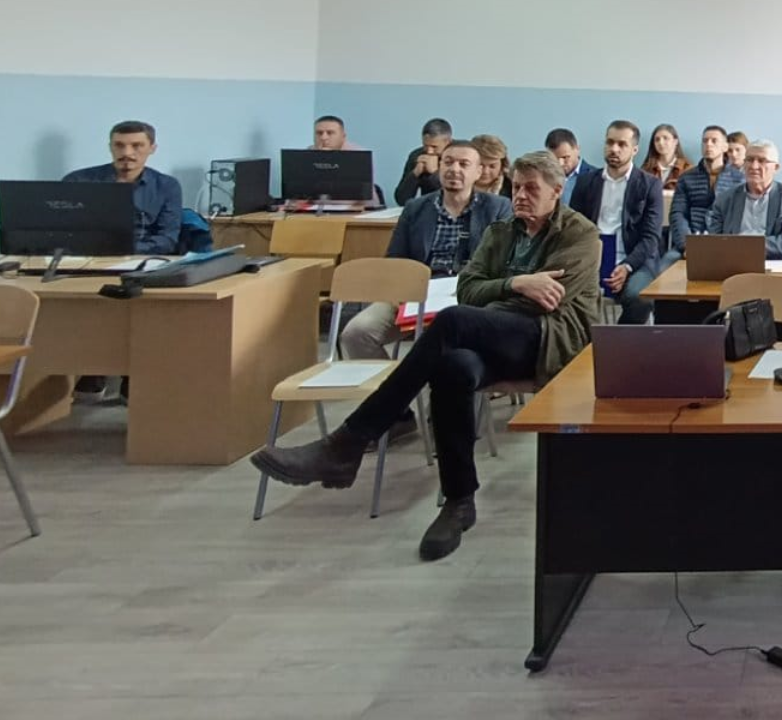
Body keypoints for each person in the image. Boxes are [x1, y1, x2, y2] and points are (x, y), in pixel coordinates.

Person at [250, 150, 598, 560]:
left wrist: (497, 297)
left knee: (452, 321)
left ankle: (348, 443)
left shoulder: (580, 234)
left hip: (549, 340)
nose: (520, 196)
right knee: (453, 368)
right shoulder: (502, 231)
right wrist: (516, 283)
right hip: (493, 336)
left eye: (531, 189)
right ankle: (459, 501)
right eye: (516, 187)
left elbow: (548, 302)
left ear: (557, 191)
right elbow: (468, 288)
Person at [338, 141, 511, 363]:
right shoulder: (416, 207)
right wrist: (400, 291)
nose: (454, 169)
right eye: (448, 162)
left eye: (463, 164)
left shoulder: (498, 207)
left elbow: (502, 260)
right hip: (418, 291)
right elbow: (395, 258)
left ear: (478, 171)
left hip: (468, 293)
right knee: (357, 333)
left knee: (452, 345)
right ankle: (393, 383)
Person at [566, 120, 662, 323]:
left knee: (640, 297)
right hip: (593, 258)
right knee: (564, 292)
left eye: (622, 144)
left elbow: (651, 237)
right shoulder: (586, 182)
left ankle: (619, 339)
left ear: (634, 150)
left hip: (634, 260)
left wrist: (627, 266)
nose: (614, 149)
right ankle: (583, 340)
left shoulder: (649, 185)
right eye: (610, 142)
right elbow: (573, 228)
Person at [62, 120, 182, 255]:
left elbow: (167, 239)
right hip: (88, 256)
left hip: (142, 257)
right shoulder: (78, 181)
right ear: (110, 147)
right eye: (119, 145)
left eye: (137, 146)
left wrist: (124, 249)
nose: (126, 153)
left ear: (152, 148)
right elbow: (63, 232)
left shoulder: (166, 186)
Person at [706, 140, 782, 258]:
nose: (754, 166)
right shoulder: (725, 199)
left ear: (776, 167)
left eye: (762, 161)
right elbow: (715, 240)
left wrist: (745, 246)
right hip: (734, 261)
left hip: (775, 261)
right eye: (750, 160)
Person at [670, 124, 743, 252]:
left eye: (714, 141)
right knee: (666, 263)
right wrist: (686, 244)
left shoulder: (740, 180)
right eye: (705, 141)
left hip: (726, 244)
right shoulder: (686, 178)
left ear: (725, 147)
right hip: (692, 241)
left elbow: (740, 217)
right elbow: (678, 214)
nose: (708, 144)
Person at [393, 118, 454, 206]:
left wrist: (435, 173)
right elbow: (401, 200)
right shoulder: (417, 155)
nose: (429, 151)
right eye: (425, 145)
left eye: (434, 147)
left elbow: (458, 197)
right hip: (428, 209)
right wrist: (415, 173)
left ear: (448, 142)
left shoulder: (460, 156)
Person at [547, 128, 590, 206]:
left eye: (565, 157)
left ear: (577, 149)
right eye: (554, 159)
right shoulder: (545, 176)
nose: (560, 164)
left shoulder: (595, 177)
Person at [643, 124, 691, 191]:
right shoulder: (646, 170)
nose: (661, 142)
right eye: (657, 139)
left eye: (665, 138)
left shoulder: (687, 169)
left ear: (675, 141)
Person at [471, 133, 512, 199]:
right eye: (480, 165)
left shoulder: (513, 189)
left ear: (502, 166)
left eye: (492, 166)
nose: (485, 171)